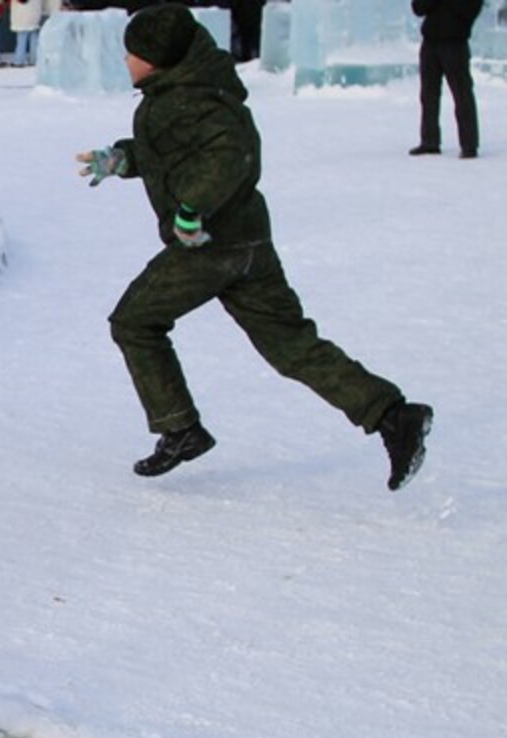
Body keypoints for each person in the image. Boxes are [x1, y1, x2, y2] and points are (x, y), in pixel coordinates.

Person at [74, 4, 433, 490]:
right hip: (246, 242)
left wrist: (191, 208)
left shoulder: (190, 99)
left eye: (131, 52)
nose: (126, 60)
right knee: (291, 346)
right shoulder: (185, 90)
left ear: (156, 58)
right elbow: (176, 151)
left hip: (209, 245)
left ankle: (179, 427)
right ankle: (393, 416)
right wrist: (120, 159)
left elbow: (231, 155)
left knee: (135, 322)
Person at [410, 0, 482, 159]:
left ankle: (469, 145)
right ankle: (429, 141)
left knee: (462, 94)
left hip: (455, 43)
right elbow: (418, 8)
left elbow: (470, 10)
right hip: (430, 42)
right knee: (428, 95)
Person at [10, 0, 42, 67]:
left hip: (22, 14)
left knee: (22, 39)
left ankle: (19, 60)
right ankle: (34, 59)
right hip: (35, 12)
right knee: (34, 38)